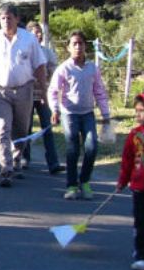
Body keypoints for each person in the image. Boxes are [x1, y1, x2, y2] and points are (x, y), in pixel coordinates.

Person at [0, 4, 47, 187]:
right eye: (2, 18)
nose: (6, 21)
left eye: (9, 17)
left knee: (21, 129)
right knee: (3, 126)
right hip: (0, 91)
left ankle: (17, 159)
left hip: (24, 89)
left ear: (17, 18)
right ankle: (5, 168)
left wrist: (44, 92)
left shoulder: (28, 39)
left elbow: (39, 66)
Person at [47, 31, 110, 200]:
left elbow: (99, 91)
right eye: (74, 44)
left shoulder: (92, 68)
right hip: (70, 114)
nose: (77, 47)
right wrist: (55, 110)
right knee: (72, 148)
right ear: (68, 47)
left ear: (85, 46)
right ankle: (72, 185)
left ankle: (85, 181)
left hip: (88, 114)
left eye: (80, 43)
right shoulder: (64, 68)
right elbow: (53, 91)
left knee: (91, 147)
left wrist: (105, 114)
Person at [116, 93, 144, 270]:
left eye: (143, 111)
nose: (138, 115)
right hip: (139, 187)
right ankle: (143, 255)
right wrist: (122, 181)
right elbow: (127, 160)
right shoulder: (135, 134)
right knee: (141, 222)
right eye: (137, 111)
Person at [23, 21, 64, 174]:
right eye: (35, 32)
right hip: (27, 95)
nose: (38, 35)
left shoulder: (47, 52)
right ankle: (24, 158)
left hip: (44, 95)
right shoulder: (24, 51)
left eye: (40, 32)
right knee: (25, 127)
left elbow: (55, 72)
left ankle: (53, 162)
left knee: (47, 127)